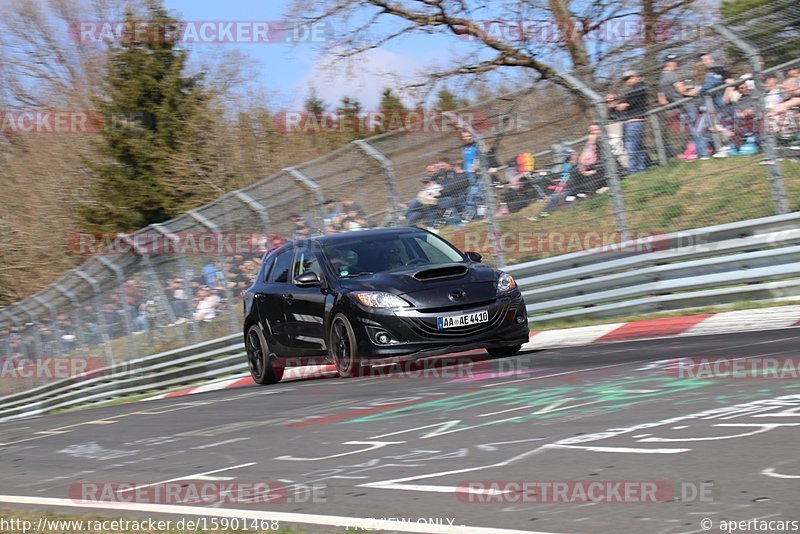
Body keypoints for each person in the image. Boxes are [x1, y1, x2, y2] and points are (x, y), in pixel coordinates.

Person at [616, 70, 648, 173]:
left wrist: (620, 106)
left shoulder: (638, 88)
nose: (627, 81)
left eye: (629, 78)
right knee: (638, 146)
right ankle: (641, 169)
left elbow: (626, 105)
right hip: (637, 121)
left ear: (636, 77)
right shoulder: (636, 89)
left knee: (631, 147)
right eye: (626, 79)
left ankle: (632, 170)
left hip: (634, 121)